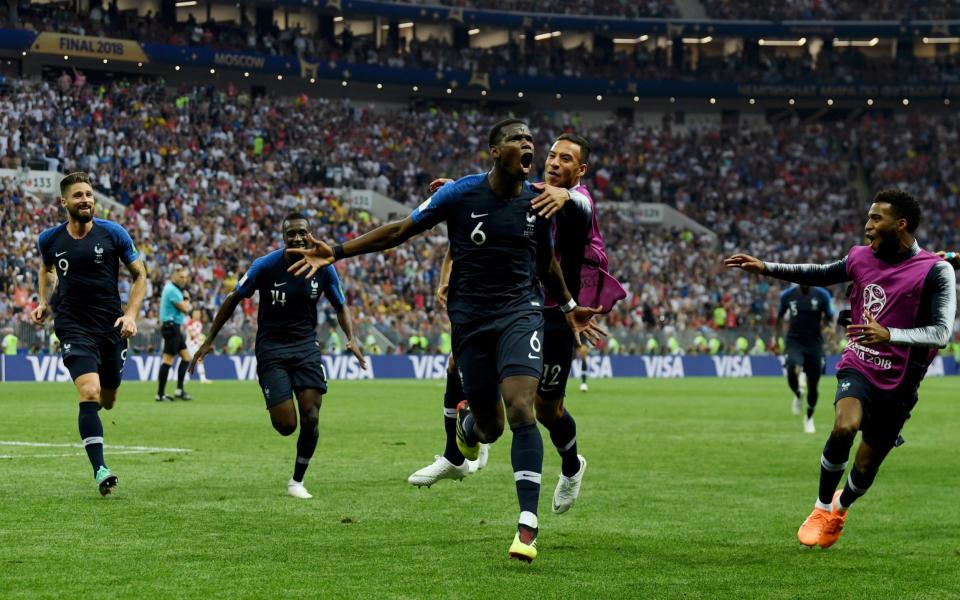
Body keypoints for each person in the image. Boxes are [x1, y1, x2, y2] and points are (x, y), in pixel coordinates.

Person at [287, 119, 606, 563]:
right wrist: (336, 252)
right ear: (496, 151)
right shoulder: (459, 195)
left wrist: (570, 306)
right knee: (489, 426)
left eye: (533, 141)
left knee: (521, 406)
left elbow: (548, 261)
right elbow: (400, 230)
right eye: (519, 140)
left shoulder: (540, 203)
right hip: (471, 322)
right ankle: (466, 428)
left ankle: (527, 528)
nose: (530, 147)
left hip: (522, 314)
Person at [724, 189, 956, 549]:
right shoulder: (859, 257)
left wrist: (890, 334)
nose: (867, 226)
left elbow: (941, 332)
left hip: (900, 384)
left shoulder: (936, 271)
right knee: (845, 425)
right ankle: (819, 508)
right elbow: (820, 273)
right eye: (868, 217)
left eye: (876, 218)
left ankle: (839, 508)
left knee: (865, 467)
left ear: (901, 224)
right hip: (859, 364)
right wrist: (767, 267)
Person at [189, 212, 366, 499]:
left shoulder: (323, 266)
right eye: (291, 233)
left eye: (302, 233)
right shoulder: (265, 266)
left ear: (310, 235)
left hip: (306, 347)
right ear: (283, 236)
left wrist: (352, 338)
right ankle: (276, 395)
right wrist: (209, 339)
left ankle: (297, 480)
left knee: (311, 415)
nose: (297, 238)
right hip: (271, 349)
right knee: (287, 426)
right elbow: (234, 298)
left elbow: (340, 304)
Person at [31, 171, 147, 496]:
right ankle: (100, 470)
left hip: (111, 327)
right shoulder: (50, 240)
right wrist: (43, 302)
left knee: (108, 399)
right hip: (72, 326)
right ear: (64, 202)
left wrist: (131, 315)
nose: (86, 200)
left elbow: (140, 276)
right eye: (78, 195)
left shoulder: (114, 234)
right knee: (90, 393)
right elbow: (46, 269)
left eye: (89, 194)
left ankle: (100, 440)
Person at [777, 284, 833, 432]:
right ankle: (798, 393)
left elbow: (829, 317)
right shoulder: (787, 295)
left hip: (814, 343)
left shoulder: (822, 295)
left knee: (813, 386)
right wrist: (776, 340)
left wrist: (828, 329)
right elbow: (779, 317)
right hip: (794, 341)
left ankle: (809, 418)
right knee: (792, 369)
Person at [157, 268, 194, 401]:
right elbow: (185, 309)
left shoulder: (172, 288)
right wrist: (187, 299)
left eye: (185, 277)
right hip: (171, 328)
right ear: (174, 276)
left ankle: (179, 390)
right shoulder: (172, 290)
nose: (184, 280)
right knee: (168, 360)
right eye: (181, 277)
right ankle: (160, 394)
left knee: (186, 358)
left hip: (174, 328)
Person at [185, 309, 211, 383]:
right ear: (193, 314)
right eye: (197, 313)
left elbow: (198, 335)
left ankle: (203, 378)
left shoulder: (199, 323)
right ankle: (185, 378)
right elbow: (190, 334)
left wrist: (200, 341)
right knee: (187, 360)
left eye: (199, 313)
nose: (198, 315)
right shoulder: (190, 322)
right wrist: (196, 337)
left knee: (200, 360)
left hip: (196, 345)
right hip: (189, 344)